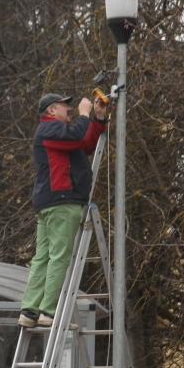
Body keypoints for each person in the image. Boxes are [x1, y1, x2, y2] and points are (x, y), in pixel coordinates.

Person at [19, 93, 108, 327]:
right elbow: (76, 135)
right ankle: (49, 312)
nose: (69, 109)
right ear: (51, 111)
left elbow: (85, 144)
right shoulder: (50, 130)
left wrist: (98, 120)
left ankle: (29, 311)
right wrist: (85, 114)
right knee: (59, 257)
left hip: (51, 202)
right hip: (61, 202)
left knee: (43, 258)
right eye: (64, 106)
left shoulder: (60, 136)